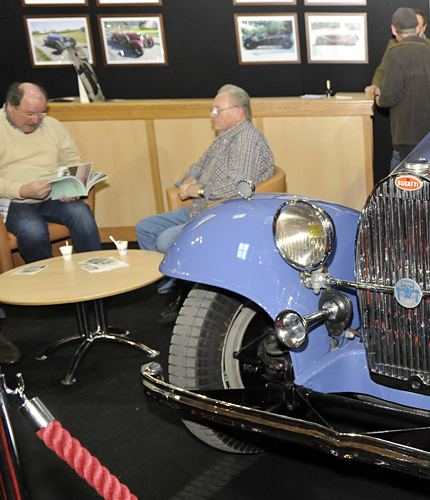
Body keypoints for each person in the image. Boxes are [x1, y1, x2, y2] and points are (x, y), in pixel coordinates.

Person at [135, 84, 274, 320]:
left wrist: (198, 190)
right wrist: (190, 179)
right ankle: (177, 287)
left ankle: (184, 293)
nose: (212, 114)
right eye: (212, 109)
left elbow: (241, 186)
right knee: (145, 228)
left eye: (217, 110)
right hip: (203, 207)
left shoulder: (246, 140)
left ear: (238, 112)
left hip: (222, 213)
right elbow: (200, 164)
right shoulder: (225, 137)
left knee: (165, 240)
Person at [0, 82, 104, 363]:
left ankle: (96, 283)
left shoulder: (54, 126)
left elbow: (73, 160)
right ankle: (52, 293)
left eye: (40, 114)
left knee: (82, 215)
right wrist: (22, 190)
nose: (36, 120)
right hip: (17, 200)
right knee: (32, 232)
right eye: (29, 114)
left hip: (54, 194)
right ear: (11, 107)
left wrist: (73, 184)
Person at [374, 7, 430, 169]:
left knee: (405, 181)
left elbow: (390, 97)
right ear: (418, 28)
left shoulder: (395, 53)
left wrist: (378, 100)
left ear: (394, 29)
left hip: (406, 132)